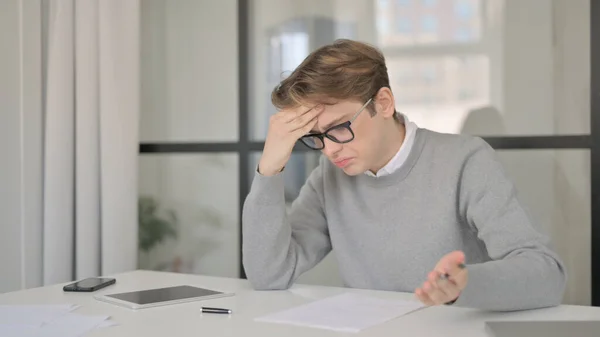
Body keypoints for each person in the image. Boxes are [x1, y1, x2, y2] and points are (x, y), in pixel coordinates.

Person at [242, 39, 566, 311]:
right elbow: (269, 274)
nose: (329, 150)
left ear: (383, 103)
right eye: (315, 136)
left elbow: (546, 274)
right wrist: (269, 169)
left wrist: (465, 284)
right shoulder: (331, 176)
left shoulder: (465, 160)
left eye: (339, 128)